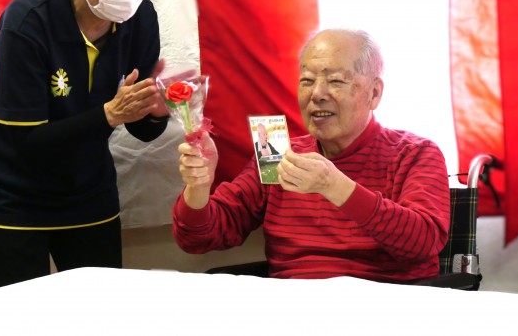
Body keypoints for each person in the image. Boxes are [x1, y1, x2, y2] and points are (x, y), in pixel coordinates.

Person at [0, 0, 170, 290]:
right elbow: (26, 141)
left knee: (99, 306)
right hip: (11, 193)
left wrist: (155, 112)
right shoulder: (28, 20)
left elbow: (141, 128)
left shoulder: (141, 19)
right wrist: (109, 115)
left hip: (87, 191)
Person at [174, 28, 451, 282]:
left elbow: (424, 243)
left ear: (374, 93)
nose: (317, 94)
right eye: (307, 81)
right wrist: (199, 186)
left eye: (336, 81)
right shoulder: (276, 150)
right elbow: (198, 239)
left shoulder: (415, 153)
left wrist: (334, 186)